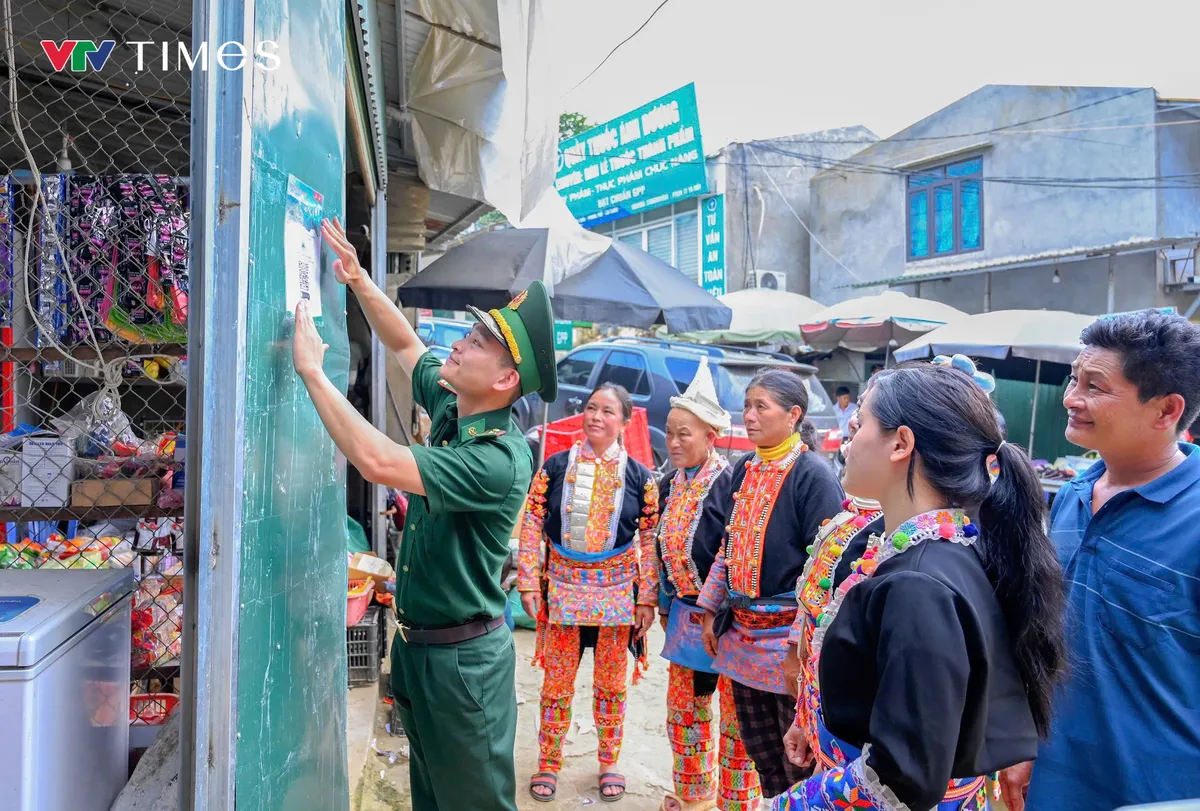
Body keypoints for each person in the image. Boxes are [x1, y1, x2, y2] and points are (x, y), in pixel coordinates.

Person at [291, 219, 558, 811]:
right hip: (421, 652)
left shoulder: (496, 457)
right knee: (432, 801)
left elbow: (376, 460)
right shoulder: (455, 406)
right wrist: (359, 279)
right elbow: (406, 345)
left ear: (506, 380)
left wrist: (313, 373)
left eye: (477, 344)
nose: (458, 345)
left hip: (463, 664)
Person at [765, 360, 1067, 811]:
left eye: (862, 419)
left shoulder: (918, 584)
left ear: (901, 443)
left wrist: (780, 806)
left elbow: (898, 778)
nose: (849, 430)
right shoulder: (943, 549)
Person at [1005, 310, 1200, 811]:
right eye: (1074, 379)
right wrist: (1028, 740)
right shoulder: (1072, 495)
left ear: (1166, 410)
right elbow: (1054, 635)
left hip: (1162, 792)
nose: (1071, 398)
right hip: (1056, 779)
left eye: (1095, 386)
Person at [696, 369, 845, 797]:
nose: (749, 415)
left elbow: (827, 570)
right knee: (763, 755)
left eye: (761, 406)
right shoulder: (745, 468)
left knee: (798, 758)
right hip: (742, 639)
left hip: (786, 647)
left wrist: (799, 650)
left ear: (794, 414)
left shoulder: (812, 476)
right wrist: (710, 610)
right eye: (747, 405)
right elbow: (728, 546)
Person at [518, 383, 660, 803]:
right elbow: (532, 522)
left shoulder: (640, 478)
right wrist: (528, 579)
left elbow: (649, 537)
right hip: (562, 590)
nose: (596, 416)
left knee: (611, 685)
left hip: (617, 597)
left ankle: (608, 761)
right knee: (556, 685)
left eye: (608, 411)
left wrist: (647, 598)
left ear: (625, 421)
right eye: (591, 408)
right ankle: (548, 761)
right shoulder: (555, 467)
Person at [654, 358, 761, 811]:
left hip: (730, 623)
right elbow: (660, 550)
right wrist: (662, 602)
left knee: (737, 722)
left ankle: (735, 803)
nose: (674, 441)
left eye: (685, 434)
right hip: (683, 616)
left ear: (711, 438)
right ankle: (693, 798)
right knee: (685, 714)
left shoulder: (732, 483)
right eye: (670, 431)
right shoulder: (666, 485)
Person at [780, 492, 883, 768]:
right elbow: (816, 621)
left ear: (899, 447)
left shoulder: (908, 539)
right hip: (829, 720)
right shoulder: (848, 519)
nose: (846, 448)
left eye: (854, 443)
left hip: (869, 747)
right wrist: (805, 717)